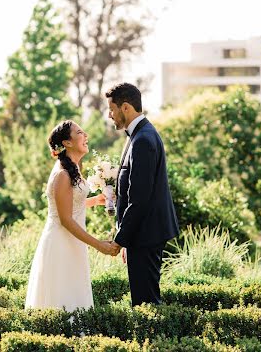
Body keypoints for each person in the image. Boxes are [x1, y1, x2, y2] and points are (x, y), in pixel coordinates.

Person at [25, 119, 118, 312]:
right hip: (61, 243)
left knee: (75, 296)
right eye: (80, 132)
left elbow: (70, 203)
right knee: (63, 298)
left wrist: (96, 200)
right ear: (67, 142)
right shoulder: (62, 175)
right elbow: (66, 219)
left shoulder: (73, 170)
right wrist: (99, 245)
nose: (86, 136)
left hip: (73, 242)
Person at [106, 82, 179, 306]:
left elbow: (139, 199)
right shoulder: (137, 136)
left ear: (125, 107)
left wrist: (121, 239)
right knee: (144, 300)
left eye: (111, 109)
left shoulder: (143, 140)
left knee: (146, 303)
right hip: (141, 235)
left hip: (146, 234)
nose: (109, 115)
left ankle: (154, 341)